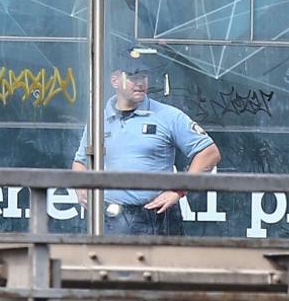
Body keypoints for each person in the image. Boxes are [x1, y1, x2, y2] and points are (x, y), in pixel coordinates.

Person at [72, 49, 220, 236]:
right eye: (133, 76)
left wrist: (179, 189)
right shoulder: (98, 120)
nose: (140, 82)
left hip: (156, 217)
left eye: (144, 76)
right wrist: (80, 188)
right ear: (115, 80)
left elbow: (209, 153)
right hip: (110, 218)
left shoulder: (167, 116)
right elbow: (80, 162)